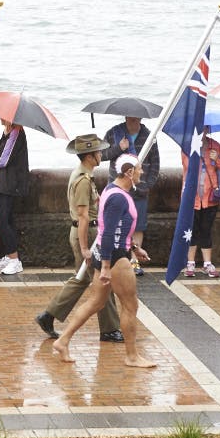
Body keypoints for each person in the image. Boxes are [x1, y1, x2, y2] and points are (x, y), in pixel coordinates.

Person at [52, 155, 155, 368]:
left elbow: (116, 229)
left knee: (96, 302)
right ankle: (132, 356)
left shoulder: (111, 189)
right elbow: (108, 232)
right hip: (115, 257)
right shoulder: (119, 197)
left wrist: (135, 247)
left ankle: (63, 341)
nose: (141, 173)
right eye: (139, 169)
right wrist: (107, 266)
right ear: (129, 173)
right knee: (130, 305)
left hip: (107, 252)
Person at [35, 134, 123, 342]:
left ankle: (48, 315)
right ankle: (110, 329)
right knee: (103, 278)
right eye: (98, 152)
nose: (101, 154)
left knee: (83, 279)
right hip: (87, 233)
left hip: (88, 231)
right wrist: (85, 248)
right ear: (90, 156)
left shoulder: (84, 176)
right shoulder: (83, 180)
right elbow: (83, 216)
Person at [101, 115, 160, 276]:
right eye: (130, 117)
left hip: (140, 190)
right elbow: (101, 155)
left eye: (136, 117)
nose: (133, 119)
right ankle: (118, 260)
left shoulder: (149, 135)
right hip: (118, 188)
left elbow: (155, 163)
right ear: (125, 116)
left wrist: (147, 185)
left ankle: (134, 261)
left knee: (138, 226)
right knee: (115, 225)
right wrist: (118, 148)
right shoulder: (114, 133)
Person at [181, 127, 220, 278]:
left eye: (204, 128)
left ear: (207, 130)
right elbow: (187, 166)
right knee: (192, 231)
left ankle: (207, 264)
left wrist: (217, 159)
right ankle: (190, 263)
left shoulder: (215, 146)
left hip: (210, 197)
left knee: (206, 230)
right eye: (198, 128)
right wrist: (196, 151)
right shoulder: (187, 146)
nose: (201, 131)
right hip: (192, 197)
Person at [0, 118, 29, 275]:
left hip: (10, 185)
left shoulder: (16, 133)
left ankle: (15, 260)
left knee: (1, 221)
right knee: (7, 221)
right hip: (2, 183)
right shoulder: (8, 133)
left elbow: (2, 159)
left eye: (3, 115)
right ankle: (9, 257)